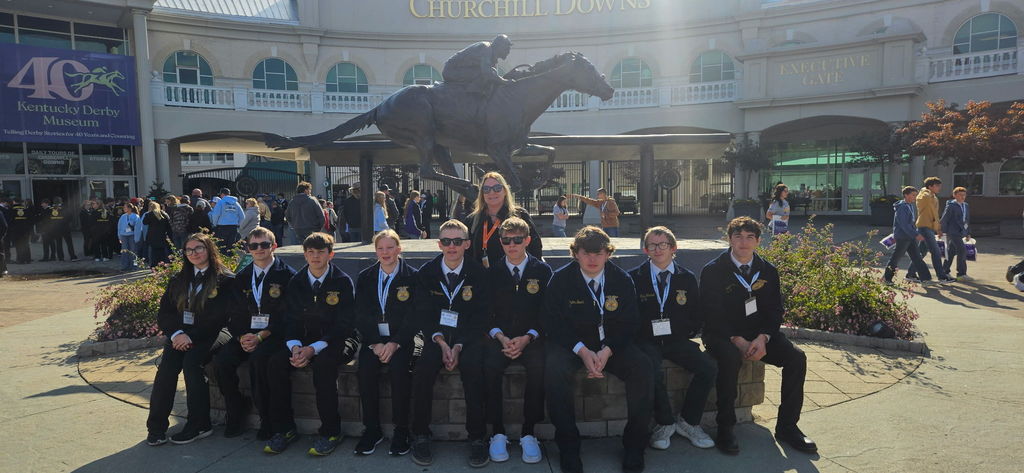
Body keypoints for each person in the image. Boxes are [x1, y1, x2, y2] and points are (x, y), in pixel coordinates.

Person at [701, 217, 816, 456]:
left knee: (797, 358)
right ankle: (726, 427)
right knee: (730, 359)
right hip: (722, 334)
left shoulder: (768, 270)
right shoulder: (713, 270)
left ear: (758, 241)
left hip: (758, 335)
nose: (743, 242)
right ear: (729, 239)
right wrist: (737, 339)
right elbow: (711, 313)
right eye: (738, 236)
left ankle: (787, 427)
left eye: (749, 237)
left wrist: (763, 337)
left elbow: (775, 310)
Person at [543, 226, 652, 473]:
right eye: (586, 253)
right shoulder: (560, 279)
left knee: (643, 367)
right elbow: (552, 322)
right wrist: (582, 350)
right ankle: (569, 447)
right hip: (573, 345)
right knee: (554, 369)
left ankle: (635, 445)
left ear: (608, 254)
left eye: (599, 253)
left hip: (610, 346)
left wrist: (607, 350)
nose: (592, 259)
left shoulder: (621, 280)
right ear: (576, 254)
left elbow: (630, 322)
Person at [264, 232, 357, 456]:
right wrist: (295, 346)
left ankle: (330, 432)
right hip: (303, 341)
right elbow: (290, 319)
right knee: (276, 363)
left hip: (337, 340)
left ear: (330, 254)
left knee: (323, 366)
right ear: (304, 255)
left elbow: (345, 324)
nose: (315, 257)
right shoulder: (297, 282)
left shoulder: (342, 281)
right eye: (310, 252)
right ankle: (285, 429)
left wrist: (314, 348)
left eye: (320, 252)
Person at [146, 233, 243, 446]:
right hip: (181, 335)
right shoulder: (179, 280)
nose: (194, 253)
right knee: (167, 369)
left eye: (198, 248)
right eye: (189, 250)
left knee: (192, 363)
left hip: (215, 333)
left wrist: (189, 335)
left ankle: (200, 425)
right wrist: (176, 334)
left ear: (209, 250)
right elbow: (165, 314)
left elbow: (218, 317)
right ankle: (156, 427)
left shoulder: (225, 280)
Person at [409, 219, 491, 467]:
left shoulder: (478, 274)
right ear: (439, 244)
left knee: (475, 371)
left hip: (468, 338)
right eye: (446, 241)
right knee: (421, 369)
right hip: (435, 337)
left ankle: (477, 438)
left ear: (466, 244)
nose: (452, 246)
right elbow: (422, 313)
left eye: (457, 241)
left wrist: (459, 345)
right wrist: (442, 343)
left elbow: (481, 316)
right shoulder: (426, 273)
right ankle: (421, 434)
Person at [629, 226, 716, 451]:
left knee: (708, 367)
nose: (657, 249)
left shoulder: (686, 278)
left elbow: (697, 312)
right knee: (651, 369)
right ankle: (665, 423)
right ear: (646, 249)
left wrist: (685, 332)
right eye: (652, 245)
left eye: (663, 245)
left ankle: (688, 421)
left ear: (673, 248)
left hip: (676, 340)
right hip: (646, 341)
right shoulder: (633, 277)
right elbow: (628, 315)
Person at [213, 227, 296, 439]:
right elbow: (233, 313)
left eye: (264, 245)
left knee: (260, 360)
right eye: (254, 245)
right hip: (247, 334)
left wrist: (262, 336)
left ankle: (267, 419)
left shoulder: (288, 276)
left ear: (274, 246)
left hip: (274, 335)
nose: (259, 249)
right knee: (222, 361)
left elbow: (288, 315)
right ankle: (236, 410)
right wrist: (242, 337)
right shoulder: (241, 278)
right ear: (248, 249)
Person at [482, 217, 552, 464]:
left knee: (539, 368)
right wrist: (500, 337)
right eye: (506, 240)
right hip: (500, 338)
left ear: (528, 241)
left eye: (517, 240)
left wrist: (528, 337)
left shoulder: (542, 271)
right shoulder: (491, 273)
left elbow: (548, 311)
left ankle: (528, 432)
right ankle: (498, 432)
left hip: (531, 337)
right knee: (489, 368)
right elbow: (485, 312)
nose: (512, 245)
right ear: (500, 243)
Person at [353, 230, 418, 456]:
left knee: (400, 372)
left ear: (399, 250)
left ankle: (401, 430)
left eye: (390, 248)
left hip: (402, 340)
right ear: (375, 251)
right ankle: (372, 429)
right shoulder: (365, 277)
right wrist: (374, 343)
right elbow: (360, 313)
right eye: (380, 248)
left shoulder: (413, 277)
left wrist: (396, 343)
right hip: (374, 341)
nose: (385, 252)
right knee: (365, 371)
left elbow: (415, 315)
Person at [465, 171, 542, 268]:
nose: (492, 192)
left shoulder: (520, 215)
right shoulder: (472, 220)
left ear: (505, 191)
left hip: (513, 275)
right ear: (482, 194)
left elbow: (535, 247)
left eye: (497, 188)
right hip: (482, 277)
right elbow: (466, 252)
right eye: (486, 189)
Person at [908, 177, 953, 283]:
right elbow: (923, 198)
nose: (939, 188)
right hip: (924, 227)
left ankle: (910, 274)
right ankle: (941, 276)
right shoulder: (924, 195)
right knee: (936, 252)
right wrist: (926, 190)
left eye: (939, 186)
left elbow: (935, 215)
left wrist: (938, 229)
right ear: (930, 186)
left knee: (921, 252)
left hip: (929, 227)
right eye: (937, 186)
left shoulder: (934, 197)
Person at [884, 187, 933, 284]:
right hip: (903, 237)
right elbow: (904, 224)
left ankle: (926, 279)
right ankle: (887, 279)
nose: (915, 197)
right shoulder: (902, 207)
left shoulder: (909, 205)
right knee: (896, 258)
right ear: (906, 195)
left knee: (917, 257)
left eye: (916, 195)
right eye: (913, 195)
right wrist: (915, 234)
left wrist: (915, 233)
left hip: (909, 237)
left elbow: (910, 223)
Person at [442, 34, 514, 98]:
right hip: (451, 70)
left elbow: (492, 74)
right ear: (500, 46)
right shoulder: (486, 49)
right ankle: (473, 98)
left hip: (460, 70)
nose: (508, 51)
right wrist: (504, 81)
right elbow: (487, 73)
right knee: (483, 74)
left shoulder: (491, 55)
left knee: (492, 73)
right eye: (507, 48)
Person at [940, 186, 971, 281]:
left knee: (951, 252)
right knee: (962, 250)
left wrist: (968, 232)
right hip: (953, 232)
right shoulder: (951, 205)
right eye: (960, 195)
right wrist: (942, 231)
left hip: (961, 232)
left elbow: (966, 220)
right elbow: (944, 219)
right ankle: (961, 274)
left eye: (964, 195)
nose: (962, 197)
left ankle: (944, 271)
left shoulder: (965, 205)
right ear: (954, 195)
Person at [210, 188, 245, 253]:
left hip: (222, 227)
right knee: (231, 246)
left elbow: (215, 214)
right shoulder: (236, 203)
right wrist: (238, 224)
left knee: (222, 246)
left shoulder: (221, 202)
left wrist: (215, 224)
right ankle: (231, 260)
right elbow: (242, 216)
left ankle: (223, 260)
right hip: (233, 227)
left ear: (222, 194)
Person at [143, 202, 173, 268]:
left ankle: (154, 265)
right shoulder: (164, 214)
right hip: (162, 235)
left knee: (153, 252)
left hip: (152, 236)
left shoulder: (149, 214)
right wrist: (170, 236)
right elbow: (169, 226)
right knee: (162, 252)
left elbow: (144, 222)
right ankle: (163, 264)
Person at [117, 203, 141, 271]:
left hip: (132, 235)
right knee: (124, 251)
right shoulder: (123, 216)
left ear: (130, 208)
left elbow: (138, 228)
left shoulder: (136, 216)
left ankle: (134, 266)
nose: (124, 209)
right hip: (124, 236)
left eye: (125, 207)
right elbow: (119, 227)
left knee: (133, 252)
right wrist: (119, 236)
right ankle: (124, 266)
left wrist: (137, 238)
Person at [9, 199, 32, 264]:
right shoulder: (26, 209)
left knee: (18, 245)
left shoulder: (12, 210)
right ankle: (28, 259)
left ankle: (20, 259)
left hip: (16, 230)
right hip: (25, 230)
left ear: (14, 202)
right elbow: (30, 219)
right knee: (26, 244)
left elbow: (10, 221)